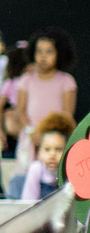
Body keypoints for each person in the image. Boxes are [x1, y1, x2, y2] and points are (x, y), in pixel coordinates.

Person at [15, 27, 78, 172]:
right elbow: (21, 111)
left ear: (59, 53)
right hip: (30, 138)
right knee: (29, 173)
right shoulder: (26, 80)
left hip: (55, 140)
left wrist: (49, 136)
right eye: (39, 51)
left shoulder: (66, 81)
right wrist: (32, 132)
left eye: (49, 51)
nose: (43, 56)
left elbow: (67, 115)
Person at [20, 112, 76, 200]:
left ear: (68, 152)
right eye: (47, 149)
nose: (52, 154)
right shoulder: (36, 169)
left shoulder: (73, 172)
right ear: (39, 152)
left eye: (58, 149)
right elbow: (27, 204)